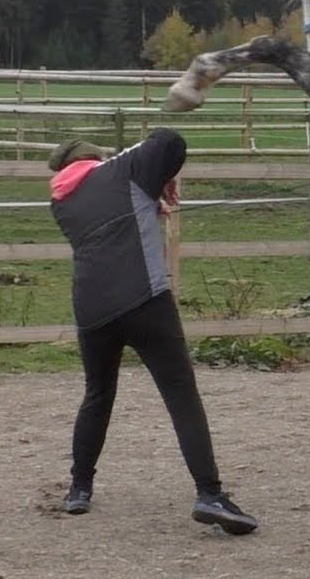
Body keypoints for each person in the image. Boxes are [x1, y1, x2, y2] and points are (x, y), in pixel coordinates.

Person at [47, 127, 258, 535]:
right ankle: (209, 493)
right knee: (181, 395)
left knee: (97, 394)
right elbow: (171, 140)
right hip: (145, 300)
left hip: (92, 311)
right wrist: (160, 177)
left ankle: (79, 488)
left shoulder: (61, 203)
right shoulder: (122, 171)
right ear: (97, 159)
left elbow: (114, 215)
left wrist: (149, 191)